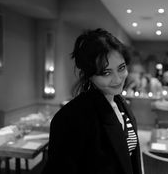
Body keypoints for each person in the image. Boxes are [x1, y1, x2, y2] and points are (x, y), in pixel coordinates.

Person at [42, 28, 142, 174]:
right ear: (89, 74)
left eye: (121, 68)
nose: (118, 79)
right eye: (106, 72)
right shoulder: (71, 117)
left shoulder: (120, 103)